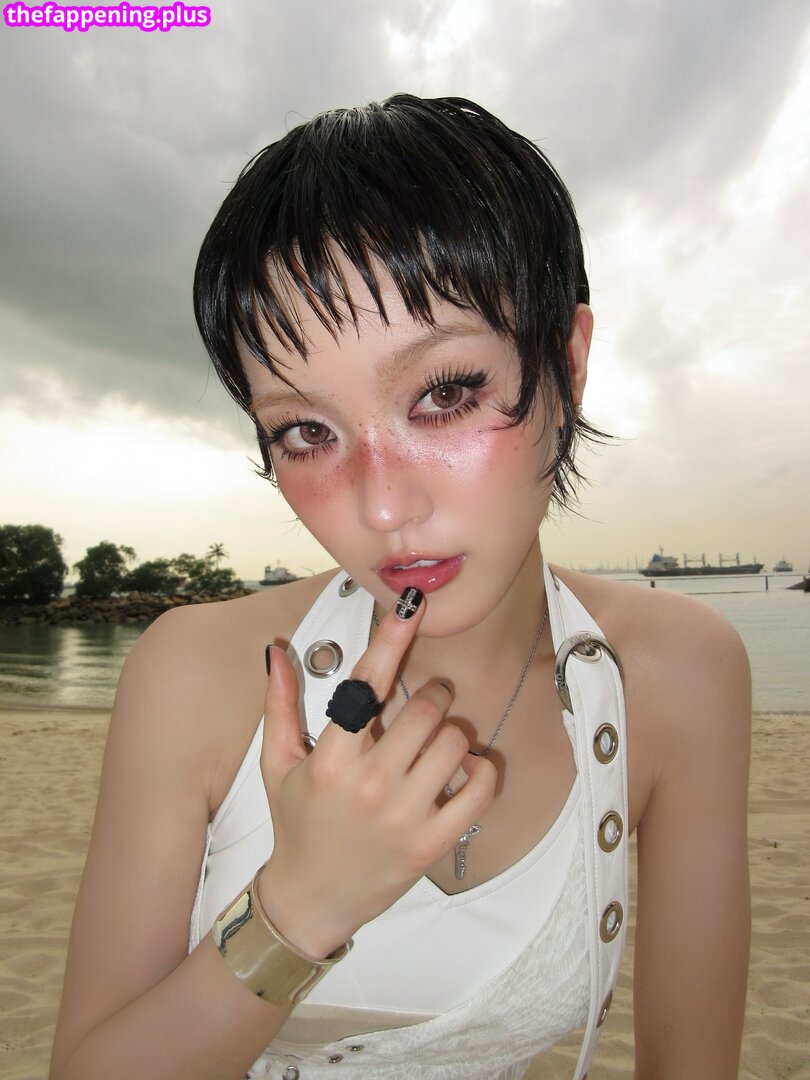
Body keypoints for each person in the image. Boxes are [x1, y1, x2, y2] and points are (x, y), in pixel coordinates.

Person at [50, 95, 750, 1080]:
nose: (382, 506)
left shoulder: (678, 675)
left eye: (445, 394)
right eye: (308, 432)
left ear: (567, 364)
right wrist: (298, 910)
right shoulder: (197, 673)